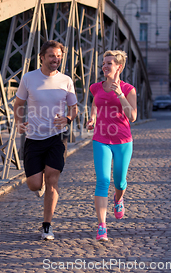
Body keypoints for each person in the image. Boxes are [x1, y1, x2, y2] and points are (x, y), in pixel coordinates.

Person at [13, 40, 78, 240]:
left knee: (52, 178)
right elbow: (19, 103)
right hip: (33, 137)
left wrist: (67, 119)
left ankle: (47, 226)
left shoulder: (66, 80)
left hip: (56, 137)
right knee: (34, 184)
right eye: (52, 56)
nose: (55, 60)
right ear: (42, 57)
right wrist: (18, 122)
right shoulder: (29, 78)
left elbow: (73, 108)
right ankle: (38, 186)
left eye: (58, 56)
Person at [87, 50, 137, 241]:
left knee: (120, 182)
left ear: (119, 67)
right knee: (102, 181)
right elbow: (95, 103)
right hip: (101, 140)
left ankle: (118, 198)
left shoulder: (129, 89)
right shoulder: (95, 87)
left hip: (123, 141)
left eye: (109, 63)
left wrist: (120, 94)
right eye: (103, 63)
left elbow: (132, 116)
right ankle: (102, 226)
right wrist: (92, 118)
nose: (105, 66)